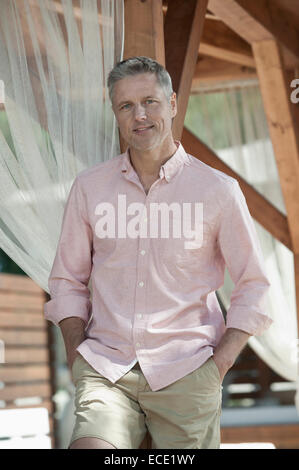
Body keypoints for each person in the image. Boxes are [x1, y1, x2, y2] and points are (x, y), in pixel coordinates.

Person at [44, 56, 273, 449]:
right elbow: (67, 280)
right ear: (115, 113)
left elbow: (254, 284)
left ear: (172, 104)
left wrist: (218, 366)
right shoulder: (89, 188)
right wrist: (77, 352)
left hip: (187, 371)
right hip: (106, 368)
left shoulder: (217, 190)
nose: (140, 115)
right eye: (126, 105)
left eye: (150, 101)